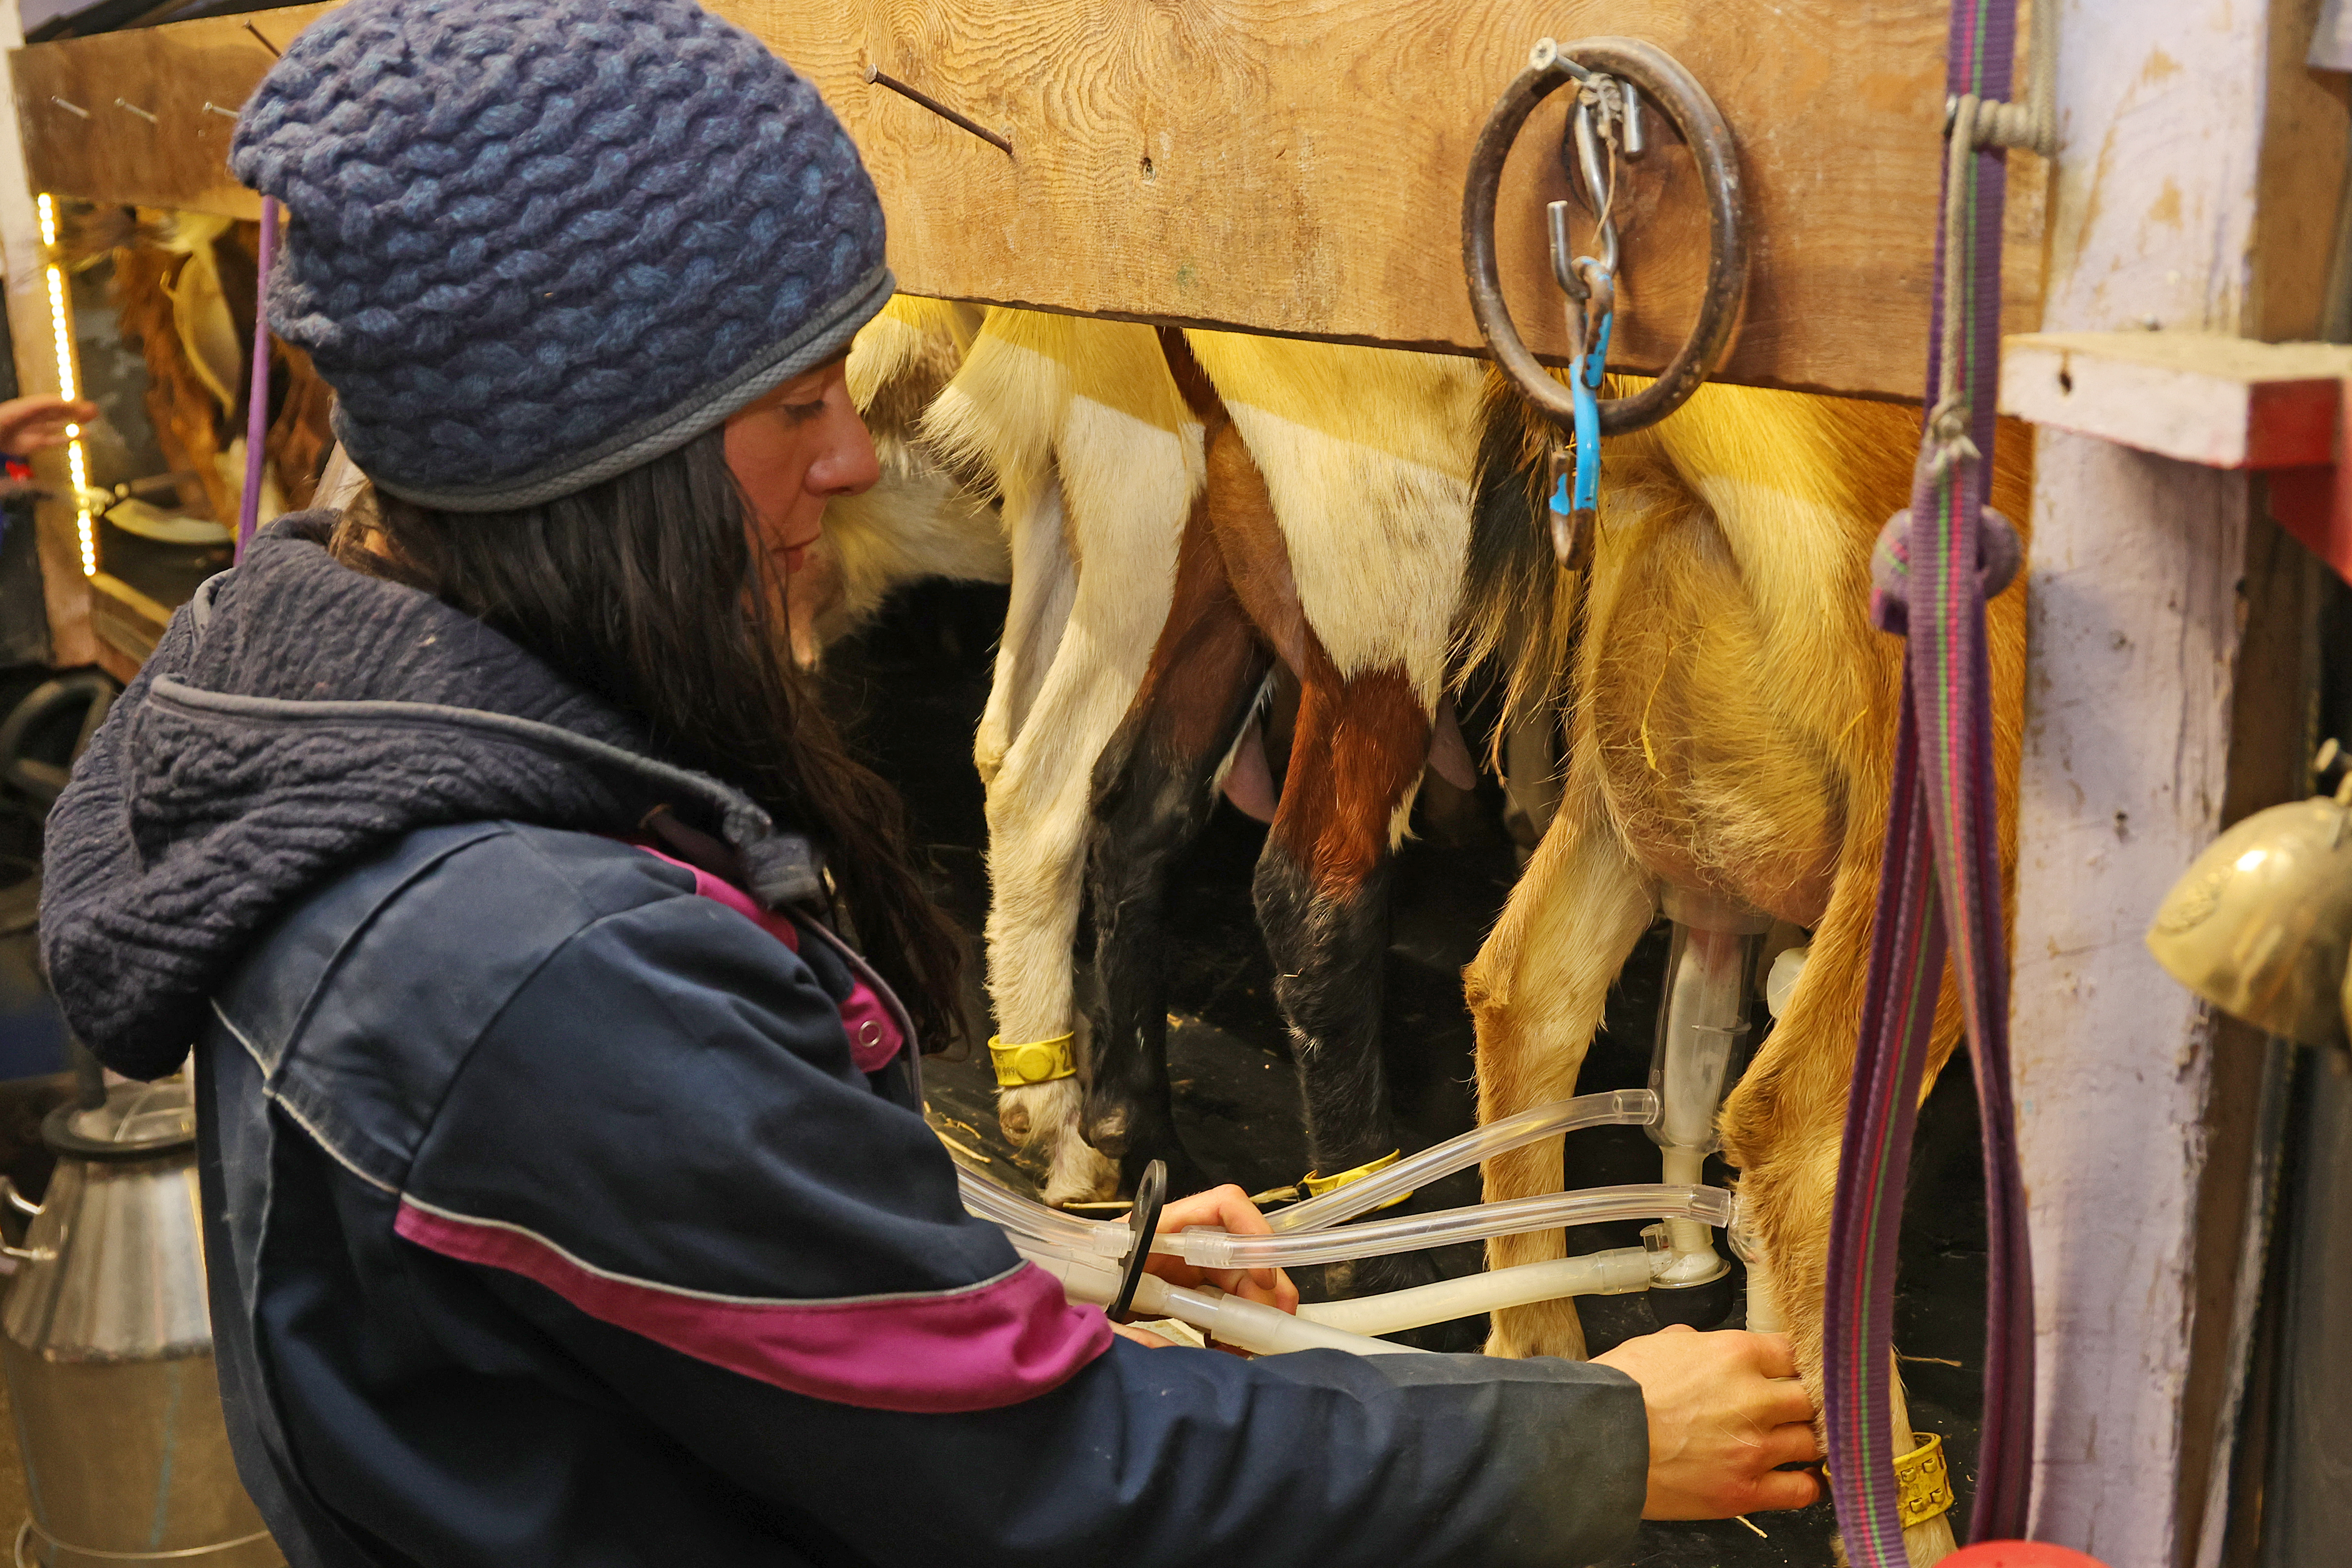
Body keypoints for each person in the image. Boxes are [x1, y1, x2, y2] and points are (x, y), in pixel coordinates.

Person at [36, 1, 1820, 1563]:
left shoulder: (393, 740)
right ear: (606, 462)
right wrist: (1600, 1445)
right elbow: (1060, 1477)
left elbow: (681, 1240)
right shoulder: (531, 960)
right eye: (796, 403)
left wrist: (1040, 1262)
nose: (849, 455)